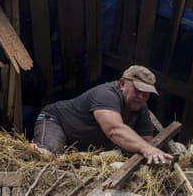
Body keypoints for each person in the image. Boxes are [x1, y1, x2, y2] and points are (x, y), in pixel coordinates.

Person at [33, 65, 172, 164]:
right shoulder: (106, 94)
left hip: (80, 142)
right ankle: (30, 148)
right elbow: (114, 130)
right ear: (122, 84)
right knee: (49, 157)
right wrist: (147, 149)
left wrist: (152, 152)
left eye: (146, 94)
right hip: (54, 120)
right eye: (137, 90)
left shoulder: (140, 107)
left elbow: (145, 141)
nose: (141, 97)